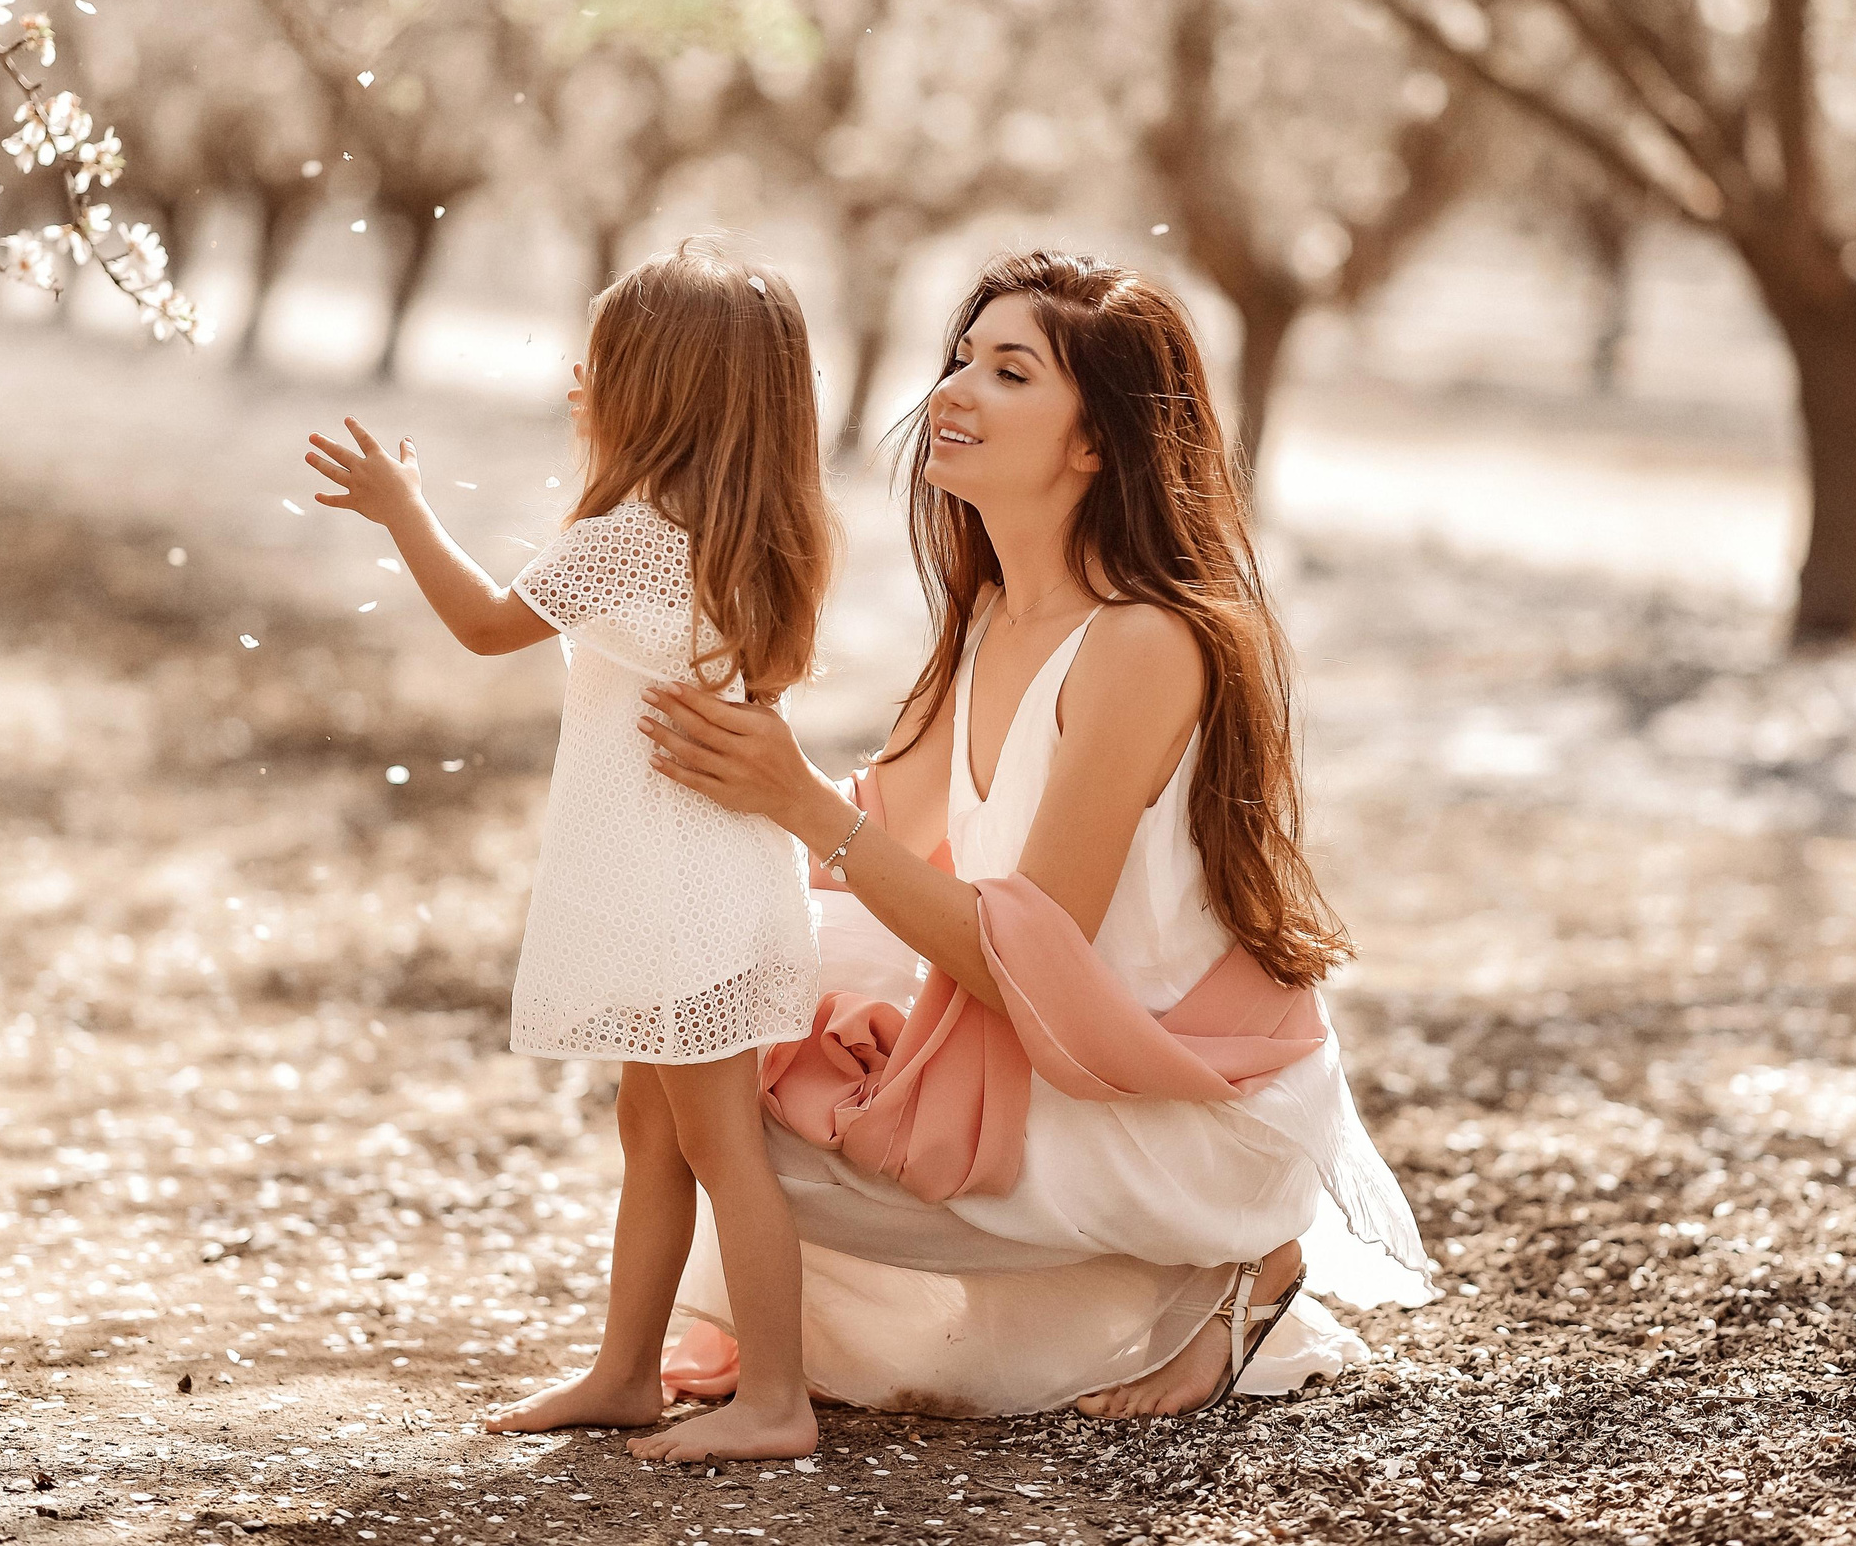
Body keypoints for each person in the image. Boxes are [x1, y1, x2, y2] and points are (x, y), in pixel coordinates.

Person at [640, 249, 1431, 1419]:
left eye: (1009, 373)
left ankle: (1241, 1267)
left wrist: (794, 802)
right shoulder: (996, 612)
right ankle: (1138, 1291)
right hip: (1064, 1056)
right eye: (961, 359)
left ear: (1098, 441)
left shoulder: (1142, 642)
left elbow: (1026, 956)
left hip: (1173, 1102)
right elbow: (866, 833)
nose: (952, 392)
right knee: (707, 1025)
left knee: (743, 1126)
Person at [300, 240, 837, 1461]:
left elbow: (490, 626)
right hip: (710, 877)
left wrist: (405, 512)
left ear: (661, 392)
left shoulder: (634, 534)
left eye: (598, 362)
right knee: (655, 1132)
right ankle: (626, 1369)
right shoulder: (750, 534)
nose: (573, 378)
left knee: (716, 1144)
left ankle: (775, 1398)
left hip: (672, 893)